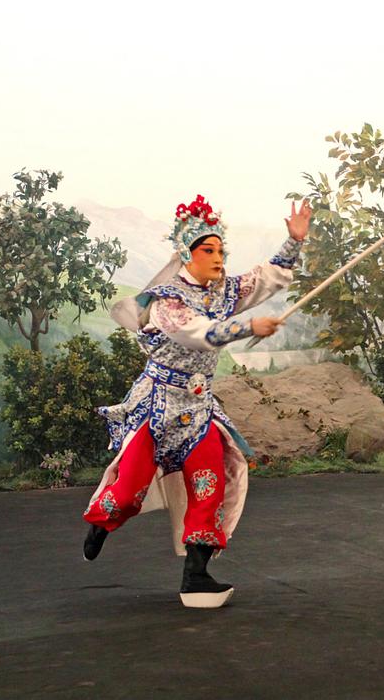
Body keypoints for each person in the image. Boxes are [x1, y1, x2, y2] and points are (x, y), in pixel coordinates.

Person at [81, 194, 310, 608]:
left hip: (198, 410)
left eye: (221, 250)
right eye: (209, 250)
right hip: (157, 409)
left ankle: (196, 578)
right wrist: (248, 327)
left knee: (210, 486)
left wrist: (294, 240)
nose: (219, 258)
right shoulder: (167, 302)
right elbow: (198, 332)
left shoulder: (223, 291)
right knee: (128, 492)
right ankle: (102, 521)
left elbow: (264, 278)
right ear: (187, 254)